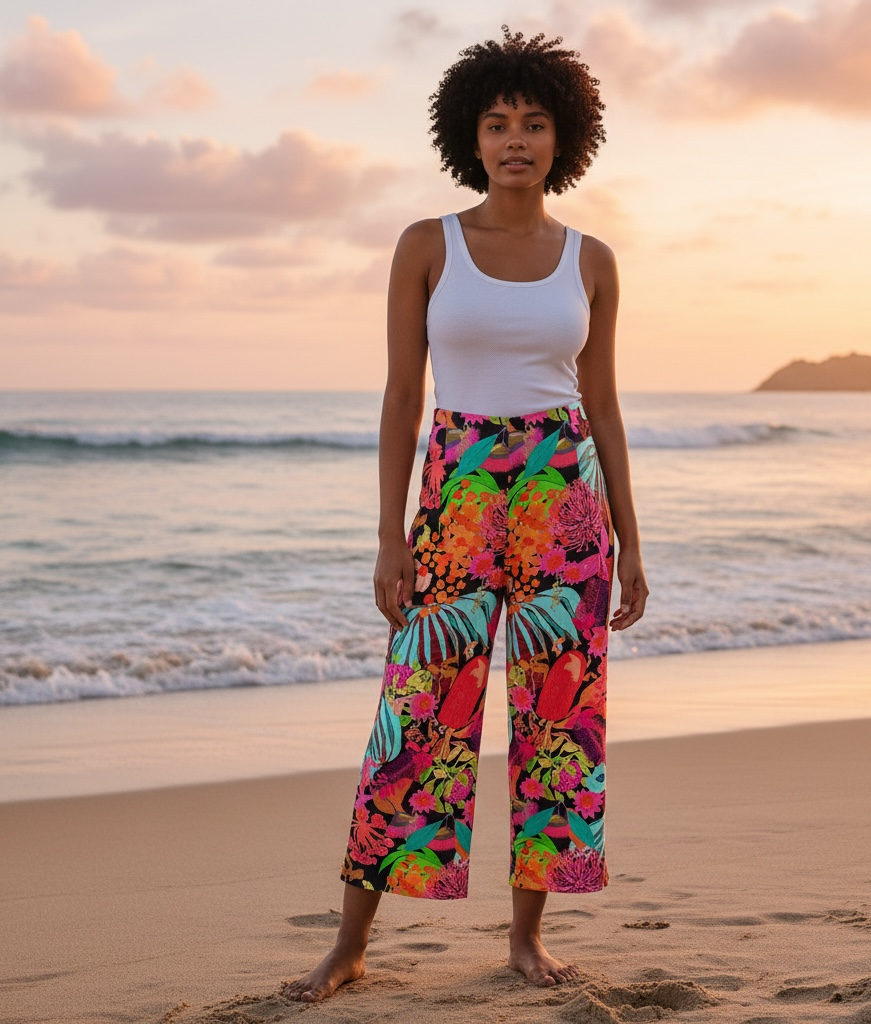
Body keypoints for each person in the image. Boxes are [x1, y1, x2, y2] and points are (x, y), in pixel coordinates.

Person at [285, 26, 648, 1002]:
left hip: (564, 499)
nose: (515, 139)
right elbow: (403, 397)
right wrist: (387, 536)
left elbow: (605, 406)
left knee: (558, 721)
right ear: (469, 138)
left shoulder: (593, 260)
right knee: (416, 716)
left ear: (563, 137)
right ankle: (350, 943)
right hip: (455, 494)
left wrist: (631, 540)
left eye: (533, 122)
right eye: (496, 123)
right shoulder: (427, 245)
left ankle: (527, 939)